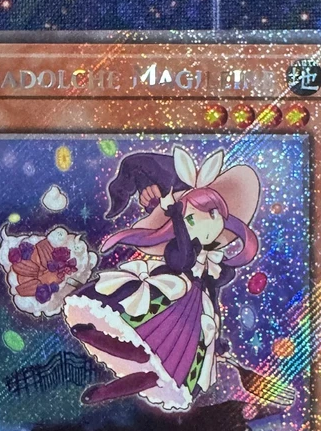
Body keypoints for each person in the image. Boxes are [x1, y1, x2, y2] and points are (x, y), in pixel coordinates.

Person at [62, 145, 260, 411]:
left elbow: (213, 297)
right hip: (166, 301)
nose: (206, 223)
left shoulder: (214, 264)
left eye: (213, 214)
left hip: (192, 320)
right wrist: (176, 217)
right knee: (138, 337)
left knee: (163, 373)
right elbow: (182, 260)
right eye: (192, 219)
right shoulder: (179, 250)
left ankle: (105, 392)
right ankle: (103, 343)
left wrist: (217, 340)